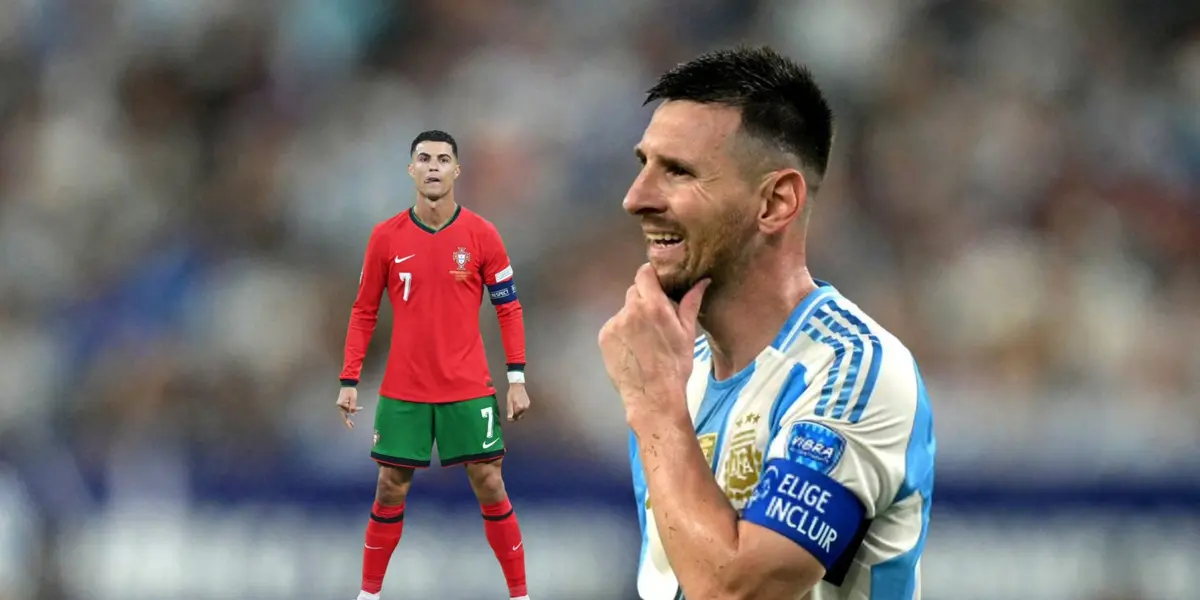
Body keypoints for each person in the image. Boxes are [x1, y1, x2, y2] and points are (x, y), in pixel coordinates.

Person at [598, 46, 936, 600]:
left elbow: (738, 593)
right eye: (644, 166)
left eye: (678, 172)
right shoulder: (675, 373)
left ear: (777, 202)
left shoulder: (852, 370)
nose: (636, 199)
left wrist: (655, 407)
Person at [337, 130, 532, 600]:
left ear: (456, 170)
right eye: (424, 158)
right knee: (389, 487)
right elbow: (364, 310)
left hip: (467, 386)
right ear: (411, 169)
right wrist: (349, 378)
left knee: (490, 482)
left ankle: (520, 594)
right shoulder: (385, 237)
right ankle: (369, 594)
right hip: (404, 388)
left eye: (443, 159)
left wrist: (517, 378)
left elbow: (508, 307)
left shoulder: (482, 235)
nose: (433, 167)